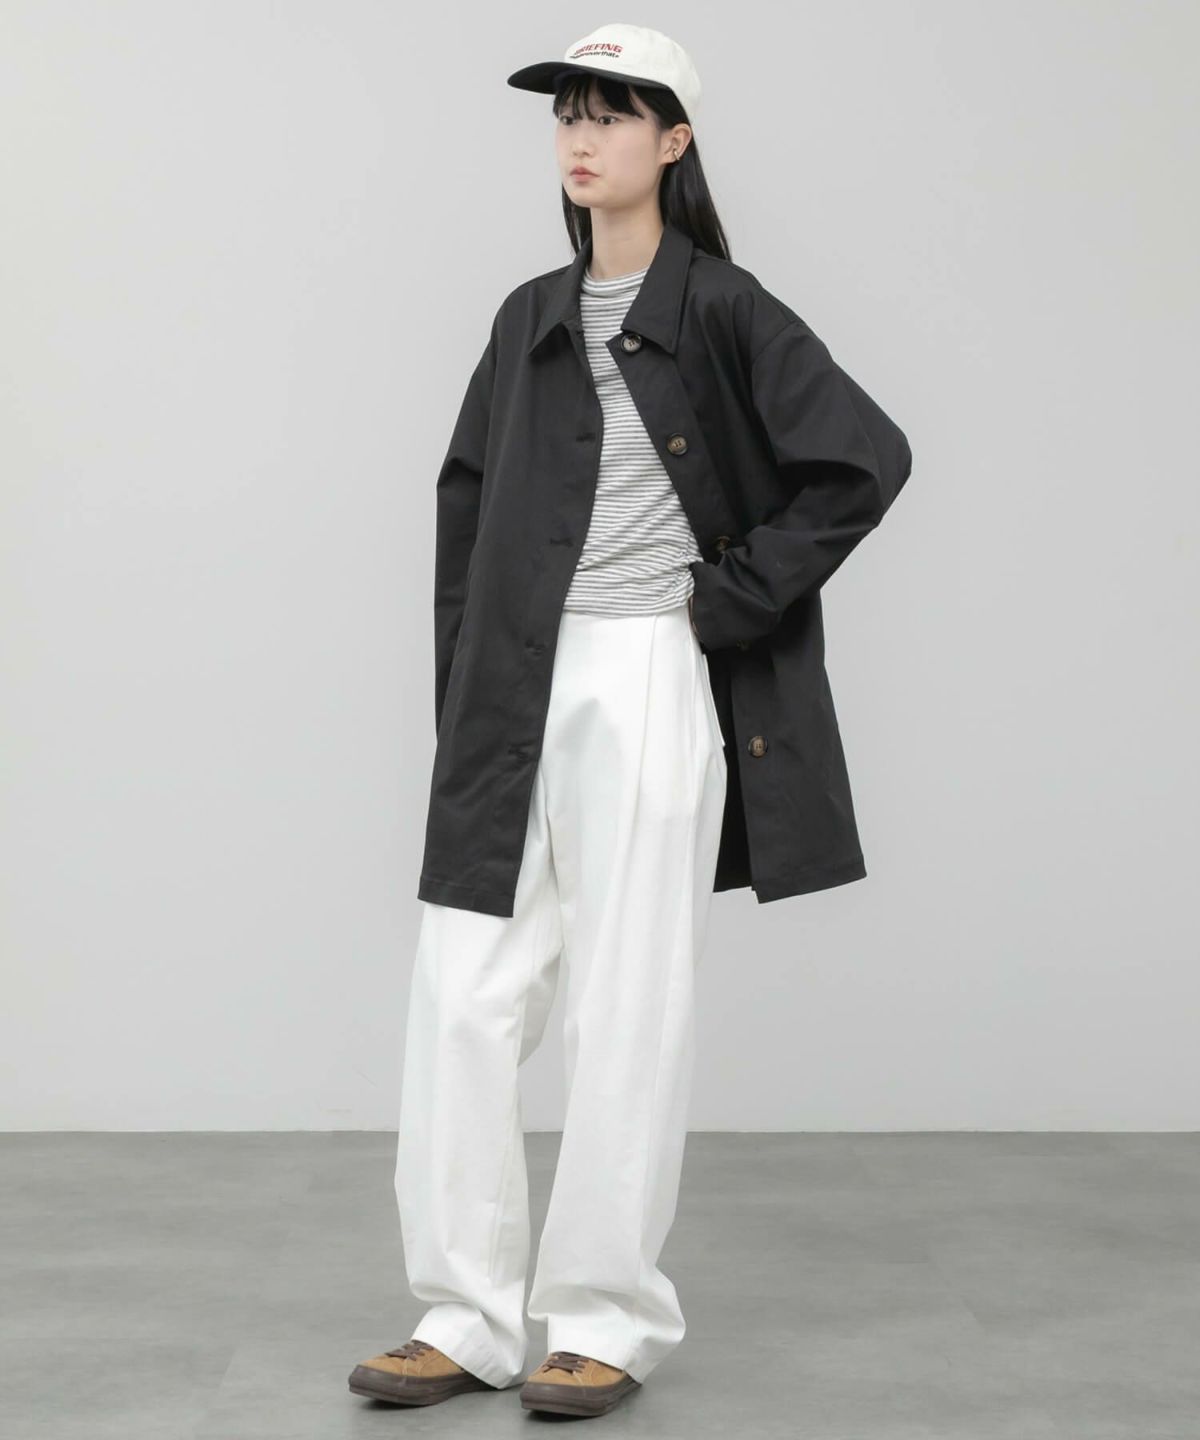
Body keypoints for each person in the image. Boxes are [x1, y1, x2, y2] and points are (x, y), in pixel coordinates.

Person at [349, 21, 911, 1420]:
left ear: (675, 141)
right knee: (462, 995)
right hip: (513, 682)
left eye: (612, 115)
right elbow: (467, 506)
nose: (582, 139)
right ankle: (467, 1317)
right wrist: (462, 687)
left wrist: (727, 601)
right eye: (567, 116)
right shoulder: (527, 316)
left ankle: (603, 1317)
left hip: (648, 671)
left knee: (624, 1001)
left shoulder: (724, 306)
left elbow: (863, 459)